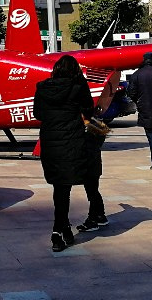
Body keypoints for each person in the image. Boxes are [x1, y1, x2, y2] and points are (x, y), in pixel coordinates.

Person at [33, 55, 107, 252]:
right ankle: (61, 228)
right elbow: (89, 111)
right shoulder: (77, 86)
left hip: (50, 143)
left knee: (60, 188)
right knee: (73, 183)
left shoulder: (42, 87)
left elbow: (38, 114)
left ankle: (61, 229)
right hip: (73, 142)